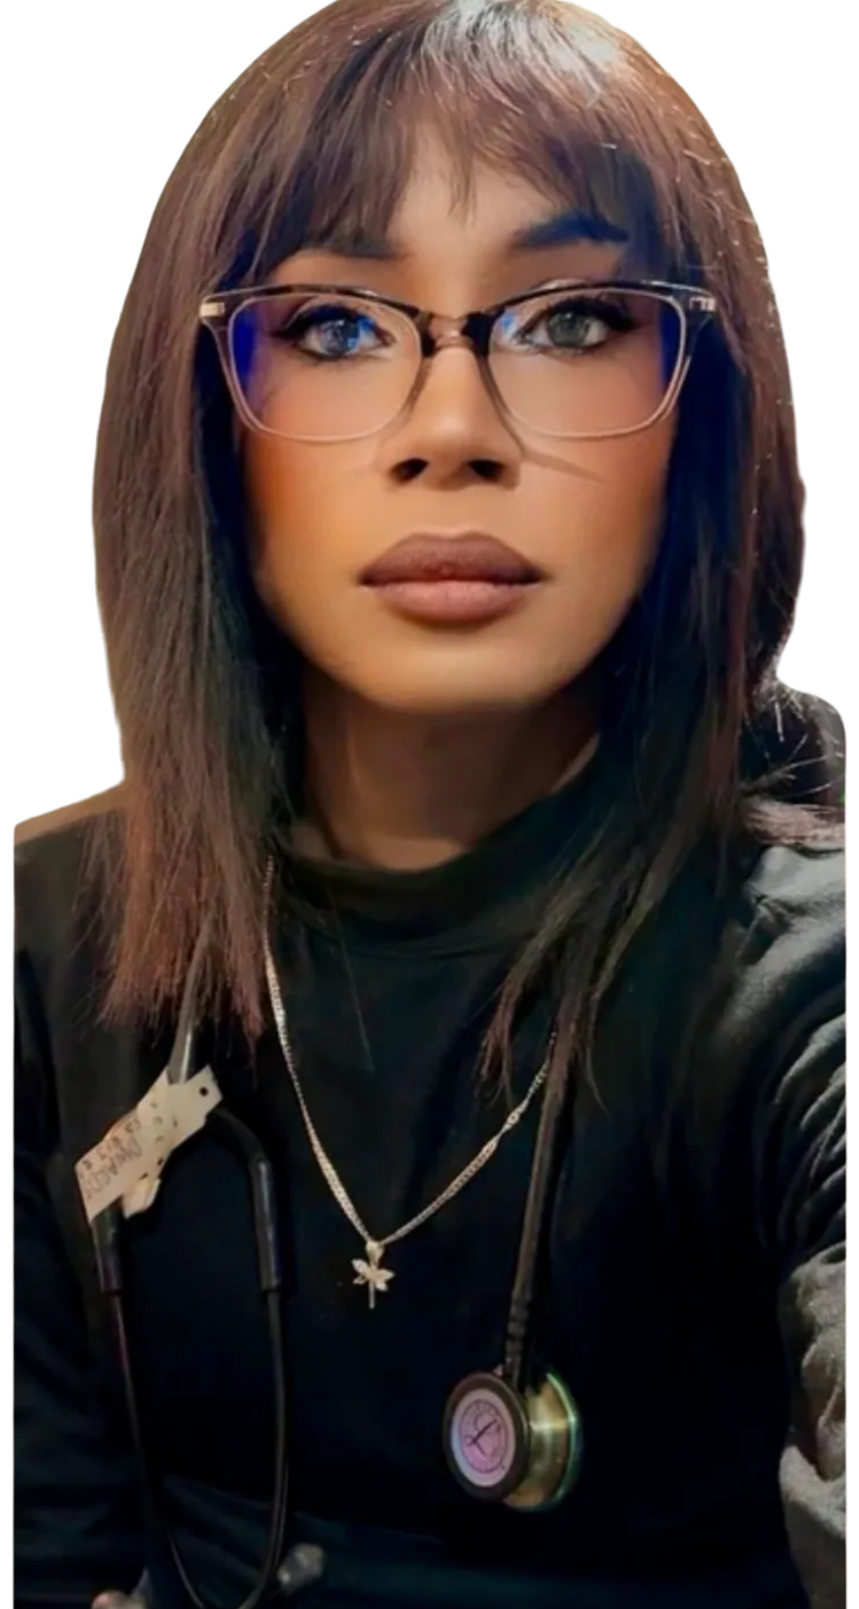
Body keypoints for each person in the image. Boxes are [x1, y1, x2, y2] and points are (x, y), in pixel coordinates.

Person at [12, 2, 847, 1607]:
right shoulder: (49, 941)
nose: (451, 432)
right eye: (334, 327)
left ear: (702, 411)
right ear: (201, 417)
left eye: (570, 318)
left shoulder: (798, 976)